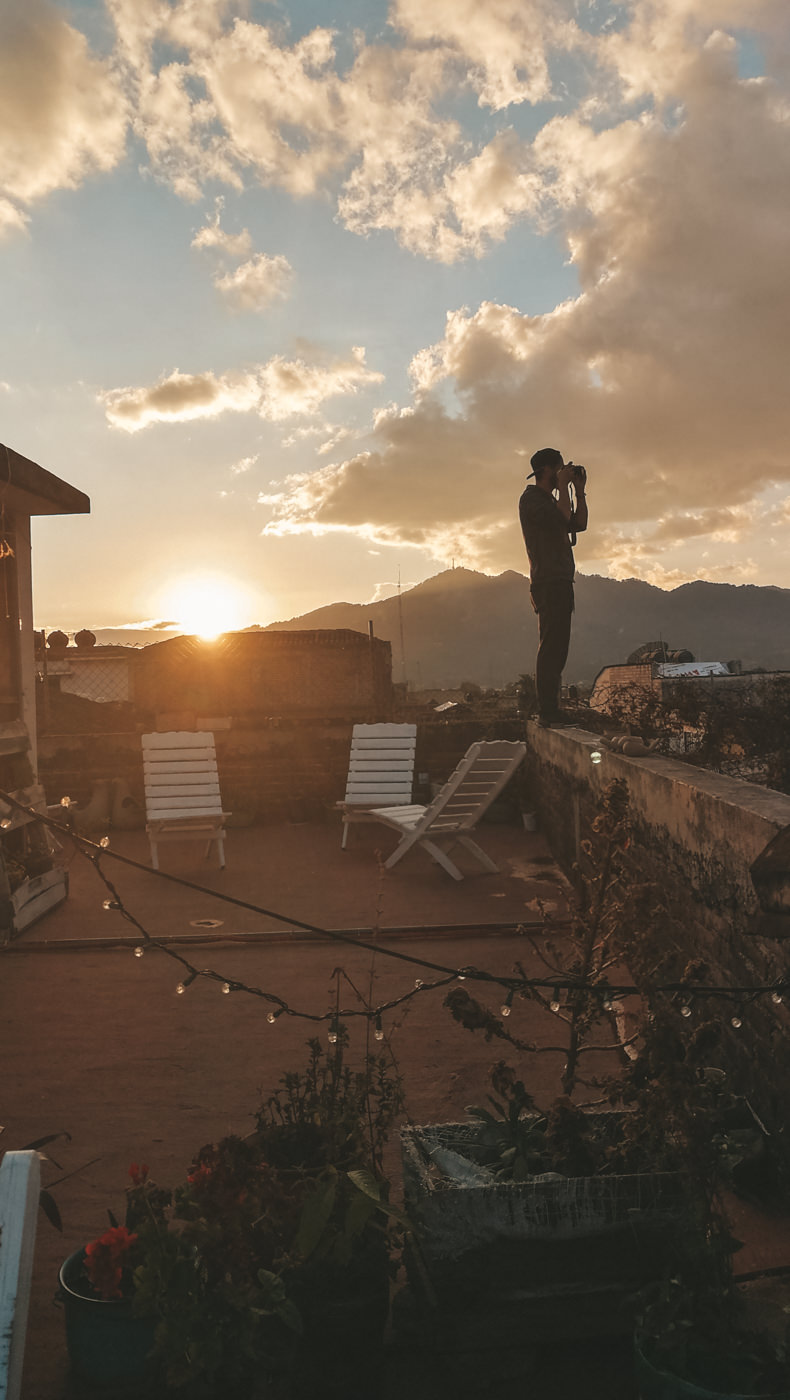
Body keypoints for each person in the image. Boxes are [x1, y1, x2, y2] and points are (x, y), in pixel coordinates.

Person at [518, 447, 588, 726]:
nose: (564, 474)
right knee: (551, 647)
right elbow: (561, 517)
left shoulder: (551, 500)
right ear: (547, 470)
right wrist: (562, 488)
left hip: (560, 580)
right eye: (560, 468)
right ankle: (548, 711)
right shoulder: (532, 500)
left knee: (559, 648)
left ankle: (552, 710)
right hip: (548, 582)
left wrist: (578, 491)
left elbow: (579, 524)